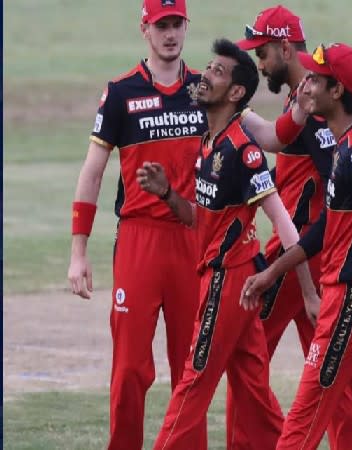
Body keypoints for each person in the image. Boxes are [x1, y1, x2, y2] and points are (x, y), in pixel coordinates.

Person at [137, 38, 321, 450]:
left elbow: (283, 221)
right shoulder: (209, 144)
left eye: (217, 73)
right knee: (254, 393)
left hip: (230, 282)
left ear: (236, 93)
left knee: (195, 380)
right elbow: (201, 221)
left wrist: (308, 289)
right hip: (227, 280)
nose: (205, 76)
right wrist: (168, 193)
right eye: (208, 68)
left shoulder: (243, 150)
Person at [241, 42, 352, 450]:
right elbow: (326, 228)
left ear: (337, 91)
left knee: (304, 416)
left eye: (315, 80)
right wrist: (275, 270)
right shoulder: (345, 147)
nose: (305, 86)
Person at [67, 0, 208, 448]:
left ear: (187, 26)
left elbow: (246, 149)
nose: (170, 34)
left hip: (190, 240)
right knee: (130, 368)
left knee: (190, 368)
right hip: (138, 242)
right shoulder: (121, 92)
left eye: (176, 24)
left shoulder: (207, 90)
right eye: (161, 25)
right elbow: (92, 172)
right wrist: (78, 252)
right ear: (144, 29)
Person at [233, 6, 352, 449]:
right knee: (332, 373)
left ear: (286, 48)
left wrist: (307, 283)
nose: (259, 63)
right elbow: (273, 135)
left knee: (245, 358)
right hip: (314, 257)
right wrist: (239, 111)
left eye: (263, 53)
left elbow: (335, 193)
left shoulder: (310, 105)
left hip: (297, 258)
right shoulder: (306, 99)